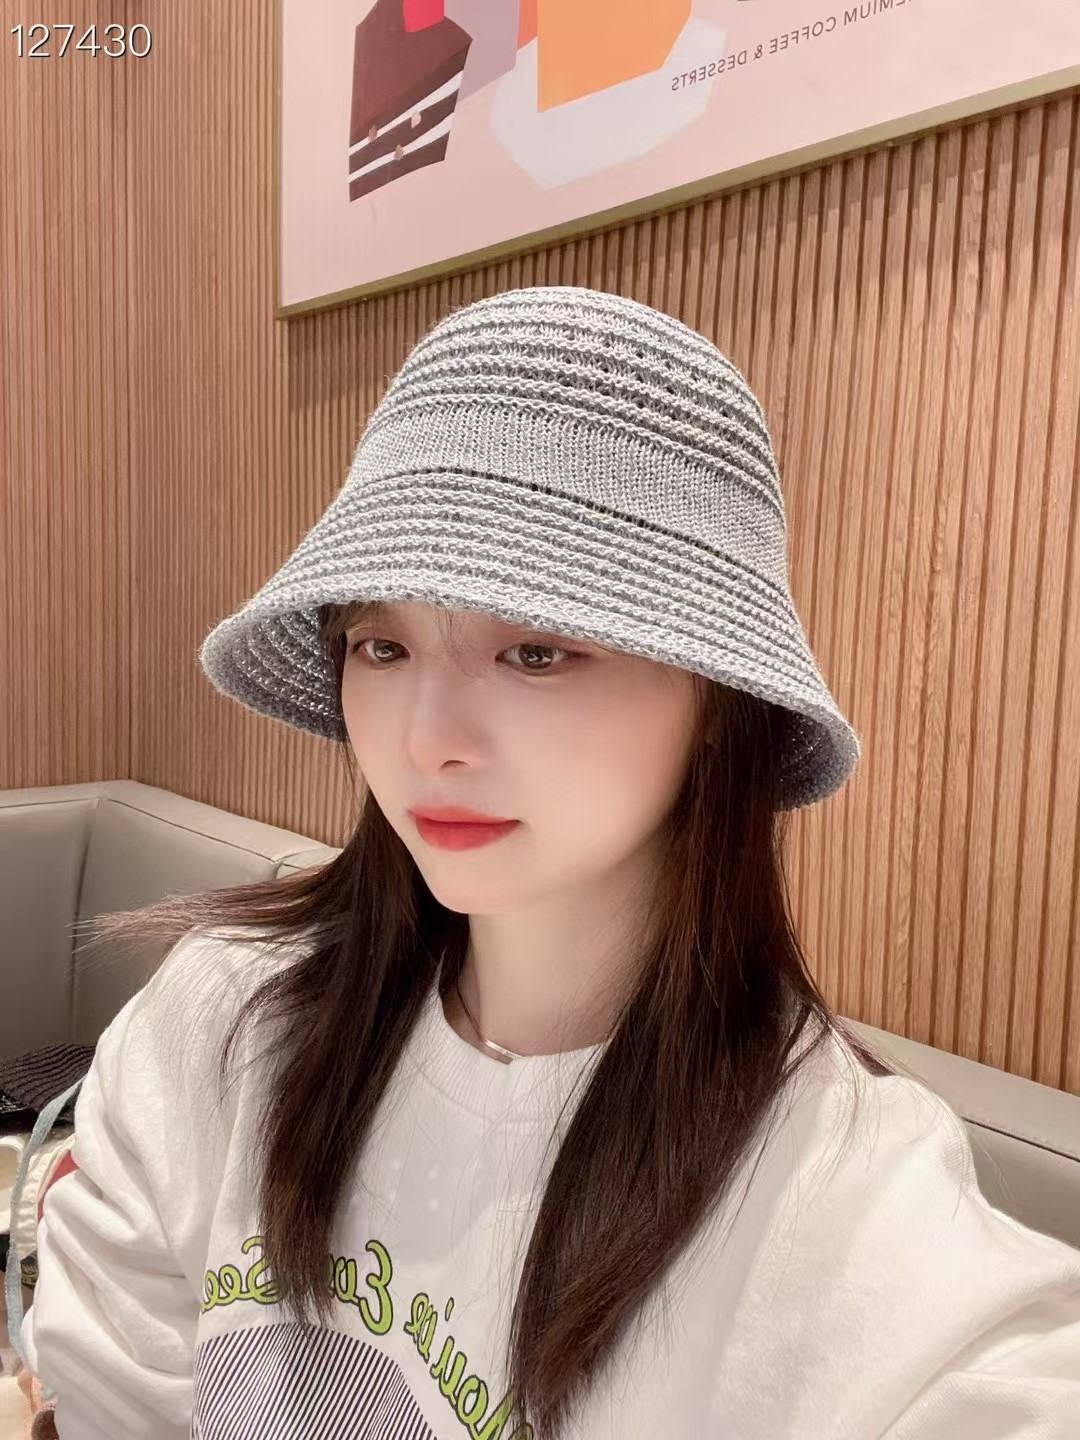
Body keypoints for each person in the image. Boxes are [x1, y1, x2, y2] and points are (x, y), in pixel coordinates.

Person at [15, 286, 1080, 1438]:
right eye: (382, 644)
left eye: (534, 651)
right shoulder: (223, 1026)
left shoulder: (841, 1195)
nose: (427, 740)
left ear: (718, 705)